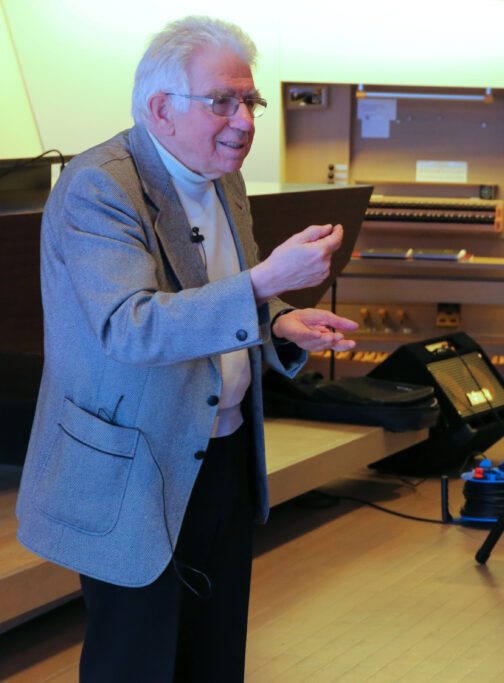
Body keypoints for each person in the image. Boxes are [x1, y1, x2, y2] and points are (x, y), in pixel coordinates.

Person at [15, 15, 358, 682]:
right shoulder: (99, 186)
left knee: (214, 653)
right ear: (161, 109)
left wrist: (280, 320)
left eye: (250, 101)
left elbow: (218, 294)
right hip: (134, 463)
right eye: (222, 101)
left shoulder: (224, 176)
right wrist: (265, 283)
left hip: (222, 451)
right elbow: (132, 325)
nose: (244, 121)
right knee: (136, 662)